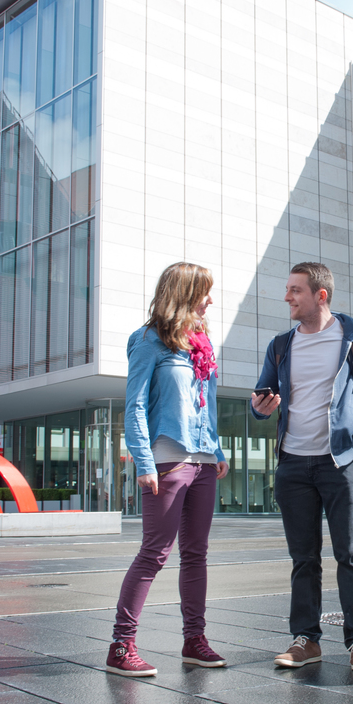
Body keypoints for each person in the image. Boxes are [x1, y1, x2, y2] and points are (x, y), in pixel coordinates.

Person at [252, 262, 353, 672]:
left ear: (320, 295)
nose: (287, 297)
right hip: (293, 464)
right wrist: (259, 406)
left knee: (350, 554)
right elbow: (262, 397)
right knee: (304, 558)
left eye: (295, 290)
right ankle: (306, 639)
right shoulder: (280, 345)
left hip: (341, 462)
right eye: (288, 289)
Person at [108, 262, 229, 678]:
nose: (209, 300)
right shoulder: (148, 341)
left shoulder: (202, 344)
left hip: (204, 460)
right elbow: (135, 405)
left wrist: (217, 449)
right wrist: (144, 462)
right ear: (184, 293)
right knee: (154, 553)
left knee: (196, 554)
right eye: (203, 291)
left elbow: (208, 404)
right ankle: (121, 645)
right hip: (167, 459)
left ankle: (194, 640)